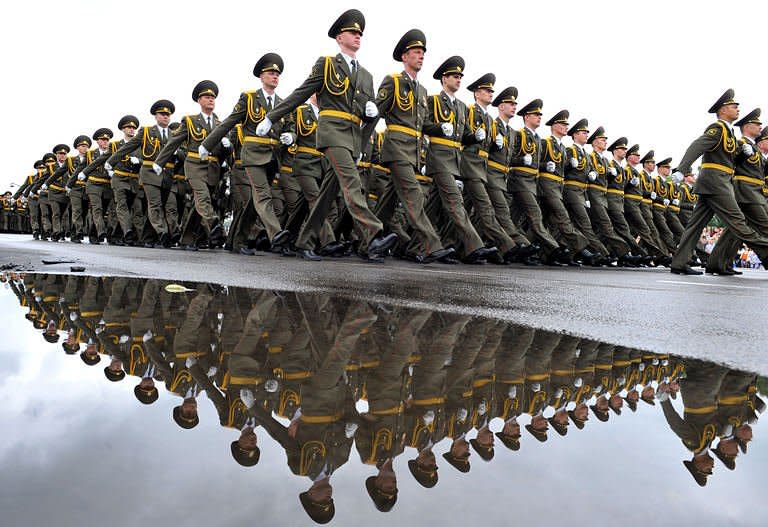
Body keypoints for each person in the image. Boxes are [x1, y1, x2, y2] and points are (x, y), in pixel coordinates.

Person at [257, 9, 398, 262]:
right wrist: (271, 117)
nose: (357, 36)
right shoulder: (327, 64)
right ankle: (373, 234)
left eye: (360, 34)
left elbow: (366, 111)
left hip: (353, 138)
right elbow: (301, 93)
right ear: (339, 37)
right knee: (352, 184)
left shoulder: (366, 75)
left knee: (326, 195)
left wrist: (370, 112)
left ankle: (304, 241)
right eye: (352, 32)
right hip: (332, 133)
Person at [370, 29, 455, 263]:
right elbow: (376, 112)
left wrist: (440, 128)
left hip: (413, 152)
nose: (421, 56)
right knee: (414, 194)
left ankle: (365, 241)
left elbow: (424, 124)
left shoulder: (422, 90)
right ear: (404, 57)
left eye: (422, 53)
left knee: (388, 201)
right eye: (416, 52)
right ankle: (429, 245)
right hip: (396, 148)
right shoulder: (393, 81)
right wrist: (360, 143)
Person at [200, 53, 292, 253]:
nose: (275, 76)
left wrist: (290, 136)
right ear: (262, 76)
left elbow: (290, 126)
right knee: (263, 195)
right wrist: (208, 144)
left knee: (254, 202)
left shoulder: (283, 103)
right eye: (271, 73)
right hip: (253, 155)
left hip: (272, 158)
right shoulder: (250, 98)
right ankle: (276, 233)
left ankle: (238, 241)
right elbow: (230, 121)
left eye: (277, 73)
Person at [670, 89, 768, 274]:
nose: (737, 109)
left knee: (695, 226)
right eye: (733, 106)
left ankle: (679, 263)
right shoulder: (718, 129)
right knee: (738, 221)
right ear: (723, 110)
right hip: (717, 183)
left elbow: (728, 162)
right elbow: (696, 146)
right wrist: (682, 169)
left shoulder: (728, 132)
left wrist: (740, 156)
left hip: (715, 182)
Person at [155, 80, 228, 249]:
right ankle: (215, 225)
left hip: (213, 169)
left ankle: (186, 239)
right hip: (195, 165)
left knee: (198, 206)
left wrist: (227, 147)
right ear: (199, 100)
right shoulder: (189, 121)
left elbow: (225, 152)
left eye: (212, 97)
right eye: (207, 97)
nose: (210, 100)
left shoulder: (221, 124)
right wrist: (160, 161)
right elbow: (173, 142)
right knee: (203, 197)